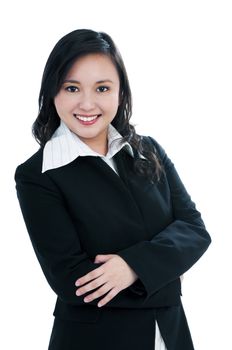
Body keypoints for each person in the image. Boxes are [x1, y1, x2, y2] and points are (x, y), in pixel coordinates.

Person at [14, 29, 211, 350]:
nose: (87, 103)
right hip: (94, 340)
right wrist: (166, 272)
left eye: (102, 88)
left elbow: (195, 230)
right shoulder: (38, 174)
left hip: (171, 335)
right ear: (53, 91)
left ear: (120, 93)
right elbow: (72, 282)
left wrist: (131, 267)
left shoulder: (149, 151)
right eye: (72, 88)